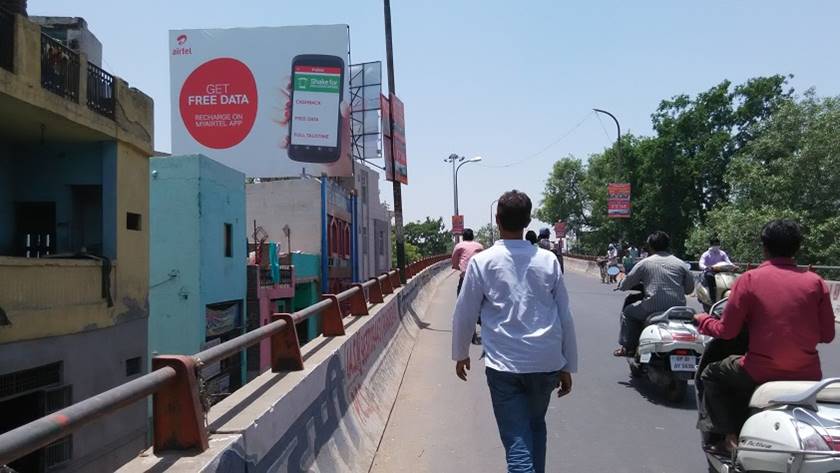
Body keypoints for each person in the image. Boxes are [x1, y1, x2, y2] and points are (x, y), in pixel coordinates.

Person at [452, 190, 577, 473]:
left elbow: (465, 312)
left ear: (497, 220)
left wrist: (460, 353)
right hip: (545, 363)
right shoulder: (548, 261)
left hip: (504, 367)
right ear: (528, 221)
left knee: (518, 445)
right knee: (536, 427)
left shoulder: (482, 262)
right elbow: (564, 316)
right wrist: (568, 364)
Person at [694, 220, 835, 453]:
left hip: (758, 370)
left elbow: (726, 332)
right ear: (797, 248)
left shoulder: (749, 280)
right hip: (808, 375)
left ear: (764, 248)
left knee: (711, 373)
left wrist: (702, 321)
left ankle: (727, 437)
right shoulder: (816, 282)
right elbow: (828, 335)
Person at [612, 231, 694, 357]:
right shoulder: (680, 263)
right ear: (668, 245)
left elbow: (625, 284)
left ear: (650, 246)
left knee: (628, 312)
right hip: (678, 309)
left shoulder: (645, 263)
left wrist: (620, 283)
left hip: (652, 308)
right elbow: (689, 289)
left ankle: (628, 347)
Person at [698, 237, 732, 303]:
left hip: (721, 272)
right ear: (711, 245)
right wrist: (706, 267)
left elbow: (728, 261)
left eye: (718, 244)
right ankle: (713, 299)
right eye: (715, 244)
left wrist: (733, 266)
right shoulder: (706, 254)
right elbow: (701, 264)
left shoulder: (722, 253)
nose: (717, 246)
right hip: (710, 272)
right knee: (710, 277)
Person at [451, 228, 484, 296]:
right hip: (479, 277)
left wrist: (458, 267)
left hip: (465, 277)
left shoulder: (459, 246)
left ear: (463, 237)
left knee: (460, 299)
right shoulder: (480, 246)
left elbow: (454, 260)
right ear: (472, 236)